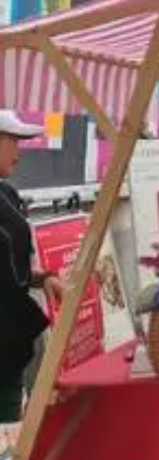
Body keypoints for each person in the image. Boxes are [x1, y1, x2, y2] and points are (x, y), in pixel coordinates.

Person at [1, 112, 66, 424]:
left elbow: (15, 267)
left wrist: (44, 279)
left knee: (10, 427)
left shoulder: (8, 195)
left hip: (11, 346)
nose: (19, 151)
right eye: (13, 140)